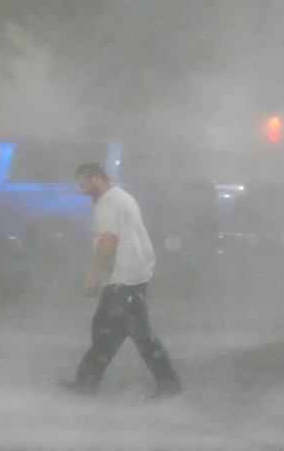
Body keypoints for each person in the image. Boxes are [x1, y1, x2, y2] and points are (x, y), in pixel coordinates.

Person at [58, 162, 182, 398]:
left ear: (96, 179)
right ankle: (87, 382)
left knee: (136, 335)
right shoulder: (122, 196)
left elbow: (108, 241)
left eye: (84, 186)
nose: (83, 192)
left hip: (124, 279)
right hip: (131, 276)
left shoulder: (109, 202)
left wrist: (92, 274)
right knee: (109, 330)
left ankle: (169, 386)